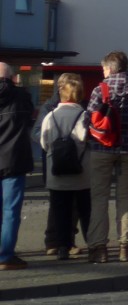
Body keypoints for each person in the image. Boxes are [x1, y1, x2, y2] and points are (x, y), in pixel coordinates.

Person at [84, 51, 128, 264]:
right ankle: (125, 247)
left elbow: (89, 120)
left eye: (103, 69)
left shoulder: (99, 89)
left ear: (110, 69)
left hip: (101, 149)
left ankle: (99, 248)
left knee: (99, 198)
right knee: (125, 198)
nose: (103, 72)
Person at [38, 73, 91, 261]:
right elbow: (87, 140)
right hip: (81, 172)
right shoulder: (84, 115)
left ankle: (62, 246)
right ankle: (92, 244)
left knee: (60, 210)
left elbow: (44, 142)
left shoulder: (50, 116)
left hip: (57, 172)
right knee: (85, 210)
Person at [0, 62, 34, 270]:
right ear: (12, 77)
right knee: (11, 210)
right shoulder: (22, 96)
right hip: (14, 160)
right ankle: (5, 255)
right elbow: (30, 116)